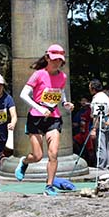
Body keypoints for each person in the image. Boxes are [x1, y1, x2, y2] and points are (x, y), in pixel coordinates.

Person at [16, 44, 74, 196]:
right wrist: (40, 108)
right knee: (37, 156)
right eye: (54, 59)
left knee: (53, 153)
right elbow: (23, 94)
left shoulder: (62, 76)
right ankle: (24, 162)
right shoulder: (39, 74)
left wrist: (65, 103)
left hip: (53, 118)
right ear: (47, 58)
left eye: (59, 60)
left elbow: (60, 92)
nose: (56, 63)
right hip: (35, 118)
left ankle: (49, 186)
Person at [88, 79, 109, 172]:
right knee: (105, 145)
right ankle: (106, 165)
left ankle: (101, 167)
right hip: (106, 123)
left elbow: (96, 115)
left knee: (100, 146)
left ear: (93, 88)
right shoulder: (105, 96)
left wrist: (94, 128)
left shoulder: (97, 98)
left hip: (100, 124)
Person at [72, 97, 94, 165]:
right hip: (81, 132)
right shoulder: (80, 111)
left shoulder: (90, 110)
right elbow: (75, 122)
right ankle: (80, 155)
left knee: (90, 149)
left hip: (88, 131)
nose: (83, 102)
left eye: (85, 101)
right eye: (82, 101)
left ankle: (92, 163)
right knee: (73, 141)